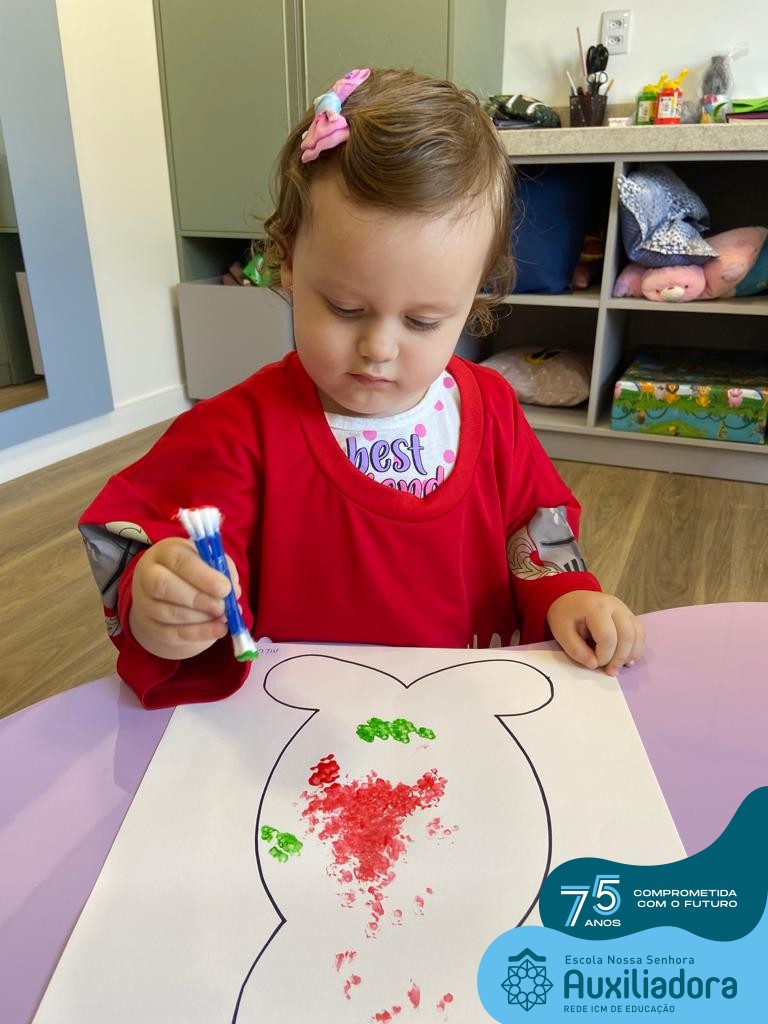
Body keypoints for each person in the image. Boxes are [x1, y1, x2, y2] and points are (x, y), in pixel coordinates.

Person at [79, 68, 644, 709]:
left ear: (474, 297)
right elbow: (155, 539)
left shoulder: (489, 410)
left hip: (460, 710)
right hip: (297, 726)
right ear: (287, 261)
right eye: (345, 308)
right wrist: (163, 601)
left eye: (423, 321)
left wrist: (565, 595)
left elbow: (533, 527)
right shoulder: (240, 432)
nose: (379, 347)